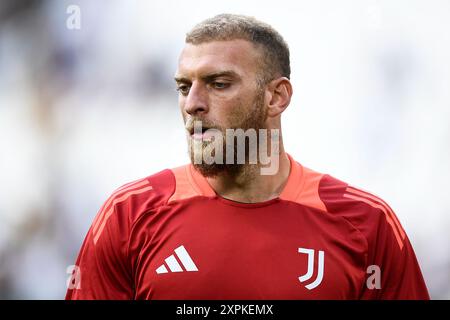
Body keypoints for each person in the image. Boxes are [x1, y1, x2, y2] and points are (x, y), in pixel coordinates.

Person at [65, 14, 429, 299]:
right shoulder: (128, 215)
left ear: (276, 97)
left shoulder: (366, 225)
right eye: (183, 87)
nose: (192, 104)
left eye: (219, 84)